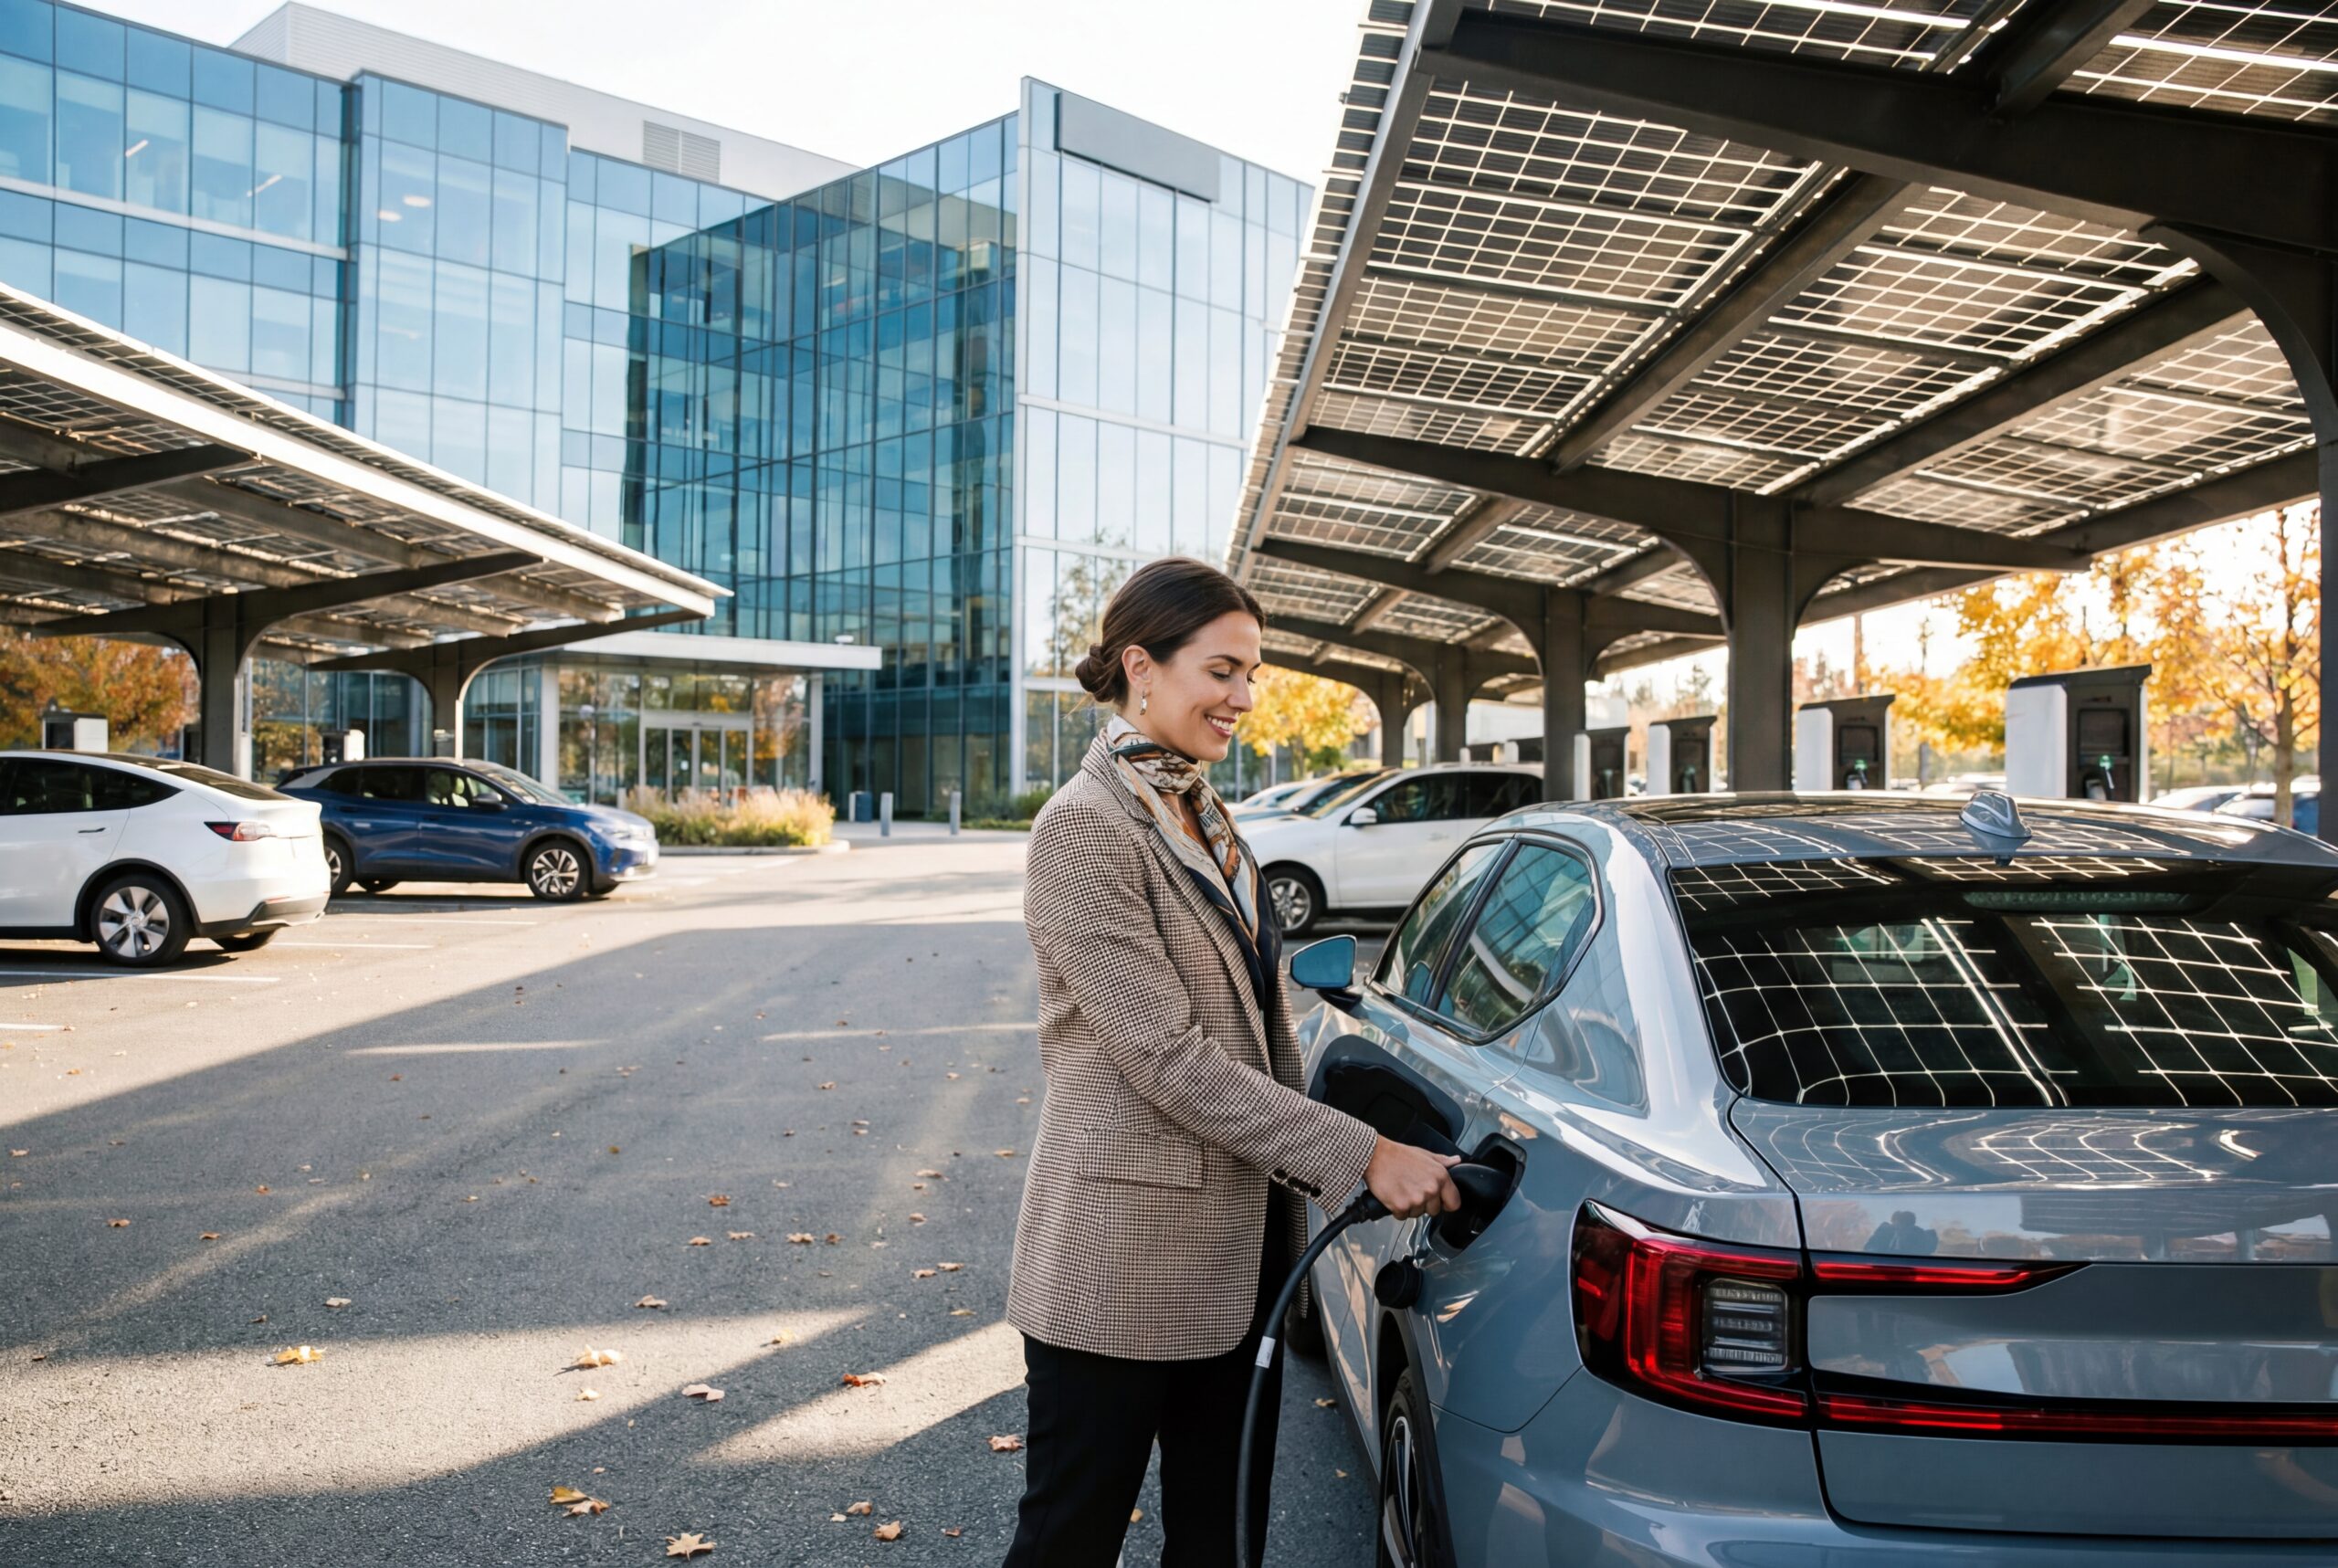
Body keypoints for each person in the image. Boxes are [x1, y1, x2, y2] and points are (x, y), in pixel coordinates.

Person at [1003, 556, 1460, 1567]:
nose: (1244, 698)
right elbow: (1164, 1054)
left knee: (1222, 1540)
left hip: (1239, 1244)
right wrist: (1358, 1150)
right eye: (1221, 670)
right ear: (1141, 667)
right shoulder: (1083, 830)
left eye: (1251, 674)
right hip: (1117, 1266)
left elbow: (1254, 1015)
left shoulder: (1203, 812)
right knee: (1067, 1542)